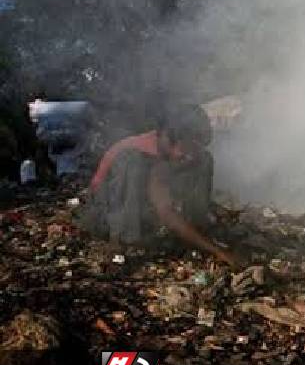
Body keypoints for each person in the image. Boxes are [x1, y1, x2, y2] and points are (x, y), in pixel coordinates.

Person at [76, 105, 239, 267]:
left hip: (145, 209)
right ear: (167, 138)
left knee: (203, 160)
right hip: (104, 215)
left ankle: (196, 226)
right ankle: (120, 243)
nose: (189, 156)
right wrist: (218, 251)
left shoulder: (173, 151)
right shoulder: (139, 154)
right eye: (185, 148)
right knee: (132, 163)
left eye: (193, 148)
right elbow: (166, 212)